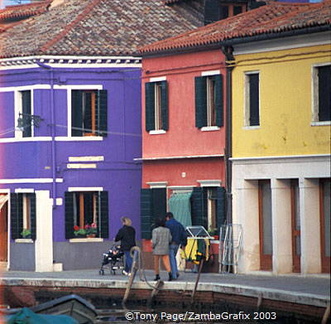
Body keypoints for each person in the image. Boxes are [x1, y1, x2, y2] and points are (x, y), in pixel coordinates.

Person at [165, 212, 187, 280]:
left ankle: (174, 274)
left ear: (167, 217)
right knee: (173, 258)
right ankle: (175, 272)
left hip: (170, 243)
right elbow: (184, 235)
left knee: (171, 259)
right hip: (177, 244)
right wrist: (184, 243)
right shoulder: (179, 224)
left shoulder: (167, 224)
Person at [152, 217, 172, 281]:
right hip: (165, 248)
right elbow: (170, 239)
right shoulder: (167, 230)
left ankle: (157, 275)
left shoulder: (155, 230)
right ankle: (169, 273)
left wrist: (153, 246)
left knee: (156, 263)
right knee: (167, 262)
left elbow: (154, 241)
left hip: (157, 248)